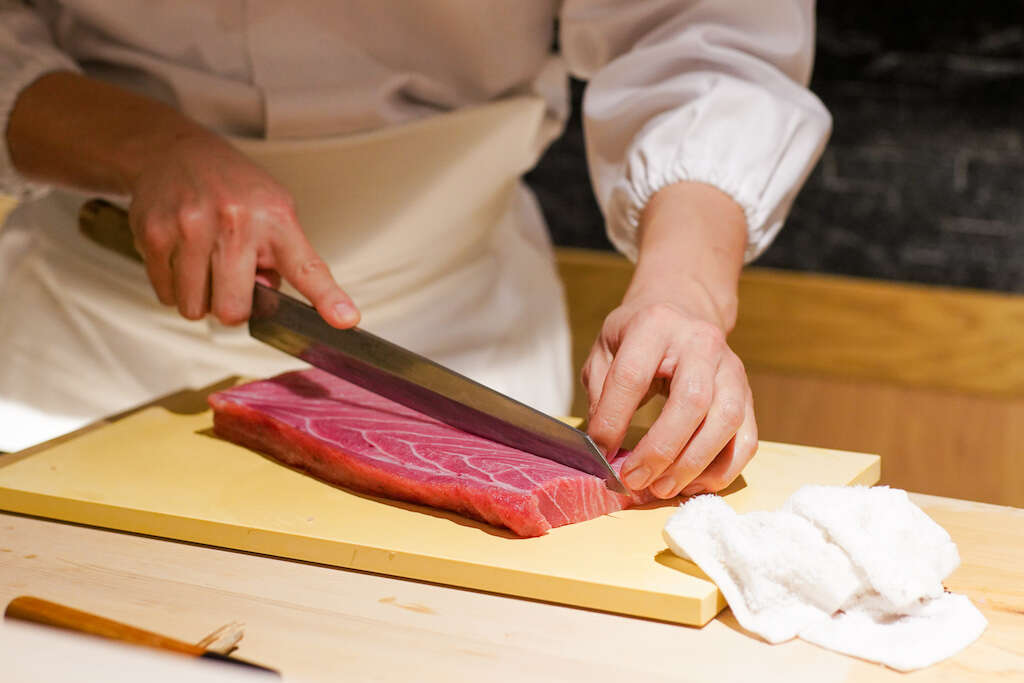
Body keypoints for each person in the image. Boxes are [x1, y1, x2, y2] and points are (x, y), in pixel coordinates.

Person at [0, 1, 830, 499]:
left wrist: (683, 291)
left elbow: (704, 30)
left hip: (463, 338)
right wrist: (137, 145)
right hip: (78, 339)